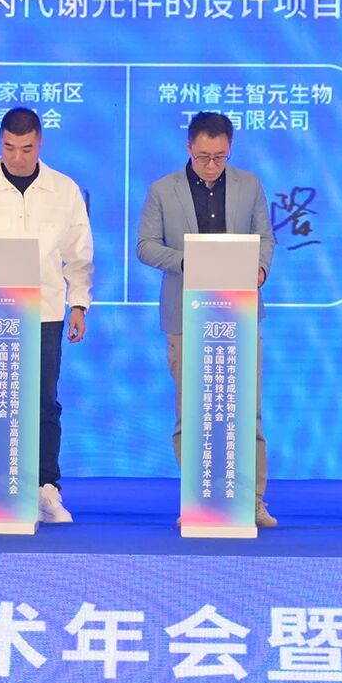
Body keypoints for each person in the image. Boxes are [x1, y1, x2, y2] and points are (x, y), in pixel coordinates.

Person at [0, 107, 94, 524]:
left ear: (40, 143)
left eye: (26, 149)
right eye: (9, 148)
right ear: (0, 142)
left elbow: (79, 255)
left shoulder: (64, 190)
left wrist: (79, 304)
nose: (17, 157)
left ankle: (46, 489)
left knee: (44, 403)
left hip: (46, 310)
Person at [137, 110, 277, 527]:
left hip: (239, 311)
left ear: (230, 149)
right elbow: (146, 246)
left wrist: (260, 269)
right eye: (203, 157)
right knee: (192, 412)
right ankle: (198, 499)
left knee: (246, 410)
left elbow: (265, 237)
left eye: (219, 157)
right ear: (188, 148)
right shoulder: (163, 190)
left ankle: (252, 500)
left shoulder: (249, 185)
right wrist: (190, 261)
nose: (211, 165)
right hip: (186, 313)